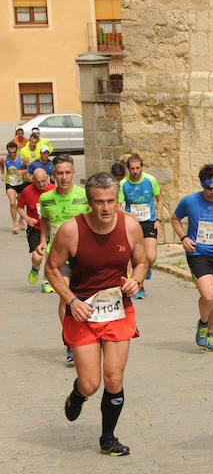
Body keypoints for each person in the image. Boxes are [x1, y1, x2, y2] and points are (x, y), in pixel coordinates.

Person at [44, 172, 147, 456]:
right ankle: (78, 394)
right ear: (89, 202)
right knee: (91, 384)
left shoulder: (130, 226)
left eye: (111, 201)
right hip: (83, 313)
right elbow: (51, 269)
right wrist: (71, 300)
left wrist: (137, 280)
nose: (105, 208)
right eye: (99, 202)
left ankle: (108, 438)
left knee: (114, 378)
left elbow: (142, 261)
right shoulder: (71, 230)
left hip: (117, 310)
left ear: (117, 200)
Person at [171, 164, 213, 350]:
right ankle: (203, 323)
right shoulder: (189, 201)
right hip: (198, 253)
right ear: (202, 185)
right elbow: (175, 219)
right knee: (209, 296)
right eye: (209, 188)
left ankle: (209, 332)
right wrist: (183, 238)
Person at [39, 155, 91, 364]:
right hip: (58, 255)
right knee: (65, 296)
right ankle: (69, 340)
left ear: (74, 173)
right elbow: (44, 220)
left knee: (86, 295)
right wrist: (43, 241)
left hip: (83, 255)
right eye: (59, 173)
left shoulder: (84, 196)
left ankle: (87, 335)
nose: (63, 177)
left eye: (67, 172)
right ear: (53, 175)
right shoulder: (46, 198)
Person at [118, 154, 163, 298]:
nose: (135, 171)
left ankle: (147, 266)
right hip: (132, 223)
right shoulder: (123, 184)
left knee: (151, 257)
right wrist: (129, 214)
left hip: (149, 221)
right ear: (128, 169)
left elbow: (160, 199)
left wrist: (158, 219)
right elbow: (117, 207)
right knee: (134, 257)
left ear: (141, 167)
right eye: (132, 168)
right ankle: (139, 286)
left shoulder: (150, 180)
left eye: (138, 168)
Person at [17, 167, 55, 290]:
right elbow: (19, 207)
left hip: (51, 228)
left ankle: (46, 282)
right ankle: (35, 268)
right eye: (38, 182)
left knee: (50, 257)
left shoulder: (54, 190)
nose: (41, 184)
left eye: (44, 181)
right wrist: (27, 218)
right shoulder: (27, 191)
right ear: (33, 180)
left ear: (47, 178)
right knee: (37, 258)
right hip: (35, 228)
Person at [1, 140, 27, 233]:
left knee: (21, 204)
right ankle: (15, 223)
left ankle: (21, 220)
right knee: (12, 203)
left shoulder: (22, 159)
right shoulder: (4, 158)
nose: (12, 154)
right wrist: (2, 173)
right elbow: (1, 164)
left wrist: (22, 171)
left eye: (14, 152)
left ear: (17, 150)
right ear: (8, 151)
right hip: (10, 183)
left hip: (21, 183)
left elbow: (29, 168)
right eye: (10, 152)